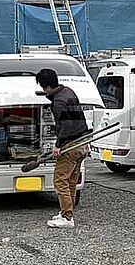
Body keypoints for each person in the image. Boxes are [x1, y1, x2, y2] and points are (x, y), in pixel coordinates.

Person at [36, 68, 91, 229]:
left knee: (60, 181)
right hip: (82, 142)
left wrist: (58, 145)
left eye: (43, 87)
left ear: (47, 86)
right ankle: (66, 212)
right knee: (71, 181)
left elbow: (65, 126)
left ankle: (67, 218)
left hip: (71, 145)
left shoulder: (59, 103)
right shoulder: (68, 91)